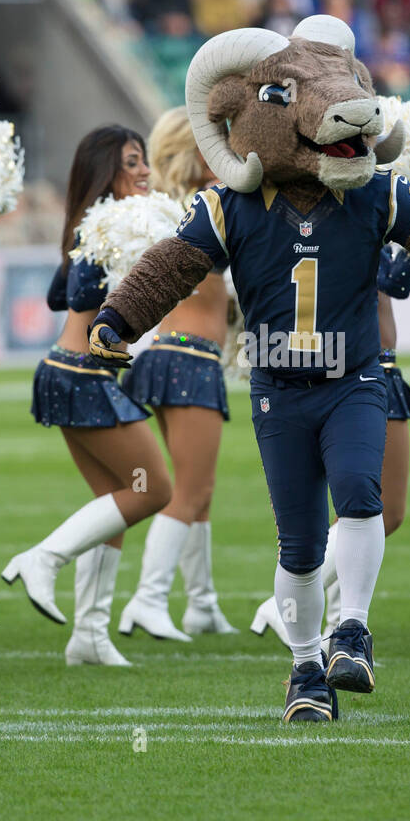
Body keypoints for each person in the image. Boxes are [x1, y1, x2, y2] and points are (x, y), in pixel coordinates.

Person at [84, 17, 410, 722]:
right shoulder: (230, 205)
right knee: (298, 546)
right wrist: (116, 318)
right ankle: (305, 669)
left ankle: (351, 627)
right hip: (278, 388)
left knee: (361, 495)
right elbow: (170, 267)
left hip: (354, 376)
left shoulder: (373, 190)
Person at [5, 125, 173, 667]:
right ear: (106, 172)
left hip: (69, 371)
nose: (144, 171)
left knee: (114, 503)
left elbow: (58, 293)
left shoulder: (98, 225)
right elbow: (77, 293)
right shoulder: (108, 225)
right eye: (131, 162)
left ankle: (90, 635)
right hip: (83, 373)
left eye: (144, 159)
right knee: (153, 490)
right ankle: (44, 558)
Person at [249, 243, 410, 648]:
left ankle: (334, 629)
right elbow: (394, 283)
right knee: (376, 508)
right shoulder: (355, 224)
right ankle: (293, 611)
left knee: (374, 509)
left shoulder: (368, 217)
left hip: (378, 369)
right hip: (361, 373)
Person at [118, 108, 236, 640]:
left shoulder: (178, 209)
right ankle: (147, 599)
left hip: (168, 353)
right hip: (190, 357)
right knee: (190, 490)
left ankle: (203, 604)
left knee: (200, 494)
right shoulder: (206, 207)